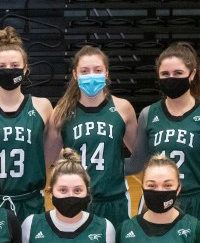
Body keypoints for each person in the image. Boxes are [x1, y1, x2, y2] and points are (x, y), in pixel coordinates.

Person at [125, 42, 200, 243]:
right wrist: (95, 166)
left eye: (178, 73)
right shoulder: (149, 114)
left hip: (196, 203)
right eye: (165, 74)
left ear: (192, 74)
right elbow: (137, 163)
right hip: (154, 202)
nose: (171, 78)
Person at [0, 26, 59, 222]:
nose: (8, 70)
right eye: (2, 66)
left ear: (25, 68)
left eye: (14, 65)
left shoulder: (42, 107)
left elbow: (48, 156)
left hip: (31, 202)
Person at [52, 46, 137, 231]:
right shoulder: (62, 112)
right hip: (75, 200)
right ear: (75, 75)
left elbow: (139, 156)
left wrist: (116, 167)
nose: (91, 75)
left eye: (97, 70)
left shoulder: (123, 108)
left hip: (114, 200)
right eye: (84, 71)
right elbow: (51, 157)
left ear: (106, 73)